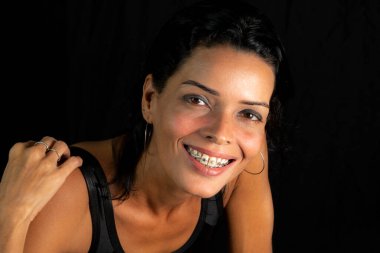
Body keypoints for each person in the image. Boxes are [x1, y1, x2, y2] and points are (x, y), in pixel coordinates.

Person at [0, 0, 289, 252]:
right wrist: (12, 215)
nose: (222, 133)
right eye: (197, 100)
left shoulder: (242, 159)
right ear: (150, 99)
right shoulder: (69, 191)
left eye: (249, 114)